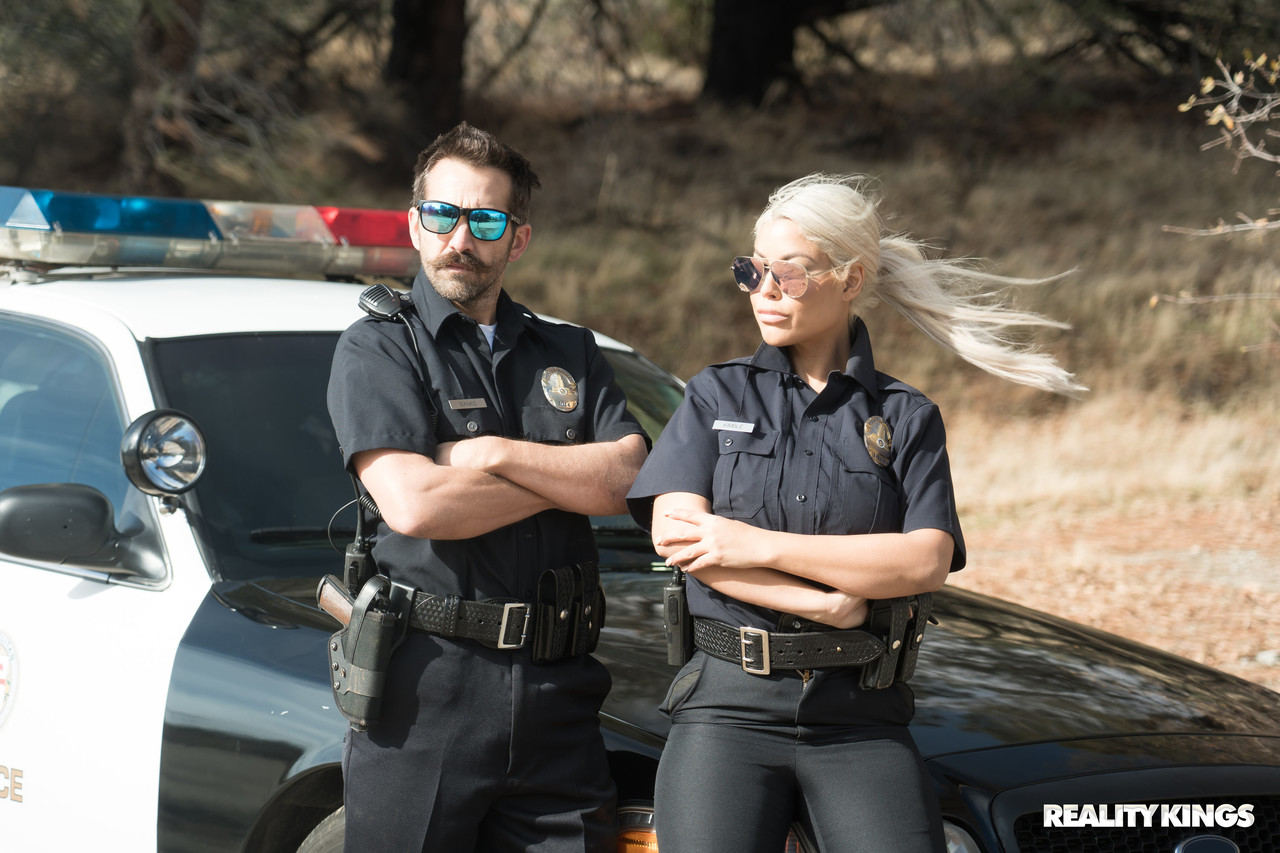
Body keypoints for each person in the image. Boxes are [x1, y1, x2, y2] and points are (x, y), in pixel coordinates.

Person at [626, 173, 1084, 853]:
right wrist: (827, 603)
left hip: (860, 717)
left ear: (850, 279)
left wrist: (751, 542)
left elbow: (923, 559)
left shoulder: (907, 416)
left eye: (789, 272)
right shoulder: (714, 395)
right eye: (752, 270)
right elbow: (680, 537)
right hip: (726, 710)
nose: (764, 289)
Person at [327, 122, 649, 852]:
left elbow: (631, 478)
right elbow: (417, 504)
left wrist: (493, 453)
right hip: (426, 691)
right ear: (416, 224)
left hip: (559, 695)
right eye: (443, 214)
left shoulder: (569, 350)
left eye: (487, 221)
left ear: (518, 240)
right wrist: (569, 477)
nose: (460, 238)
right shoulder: (379, 346)